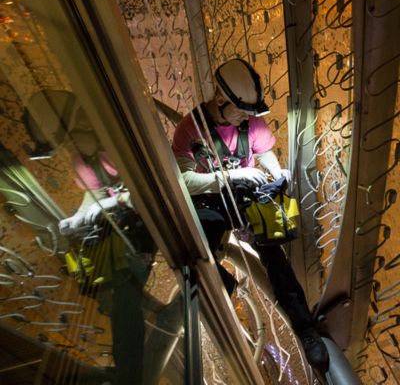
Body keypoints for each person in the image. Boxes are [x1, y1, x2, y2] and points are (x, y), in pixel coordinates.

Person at [172, 58, 329, 372]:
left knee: (275, 257)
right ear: (220, 100)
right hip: (212, 200)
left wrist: (275, 172)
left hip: (246, 197)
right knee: (197, 248)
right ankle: (223, 292)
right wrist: (228, 177)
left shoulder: (251, 122)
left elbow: (264, 151)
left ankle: (306, 329)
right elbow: (185, 180)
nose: (247, 118)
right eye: (242, 111)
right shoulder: (190, 129)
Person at [59, 129, 157, 385]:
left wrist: (118, 202)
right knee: (119, 308)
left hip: (139, 234)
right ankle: (125, 369)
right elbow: (96, 193)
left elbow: (147, 188)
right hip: (117, 239)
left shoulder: (117, 148)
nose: (74, 145)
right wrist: (78, 217)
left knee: (125, 307)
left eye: (75, 138)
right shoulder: (85, 159)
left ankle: (129, 374)